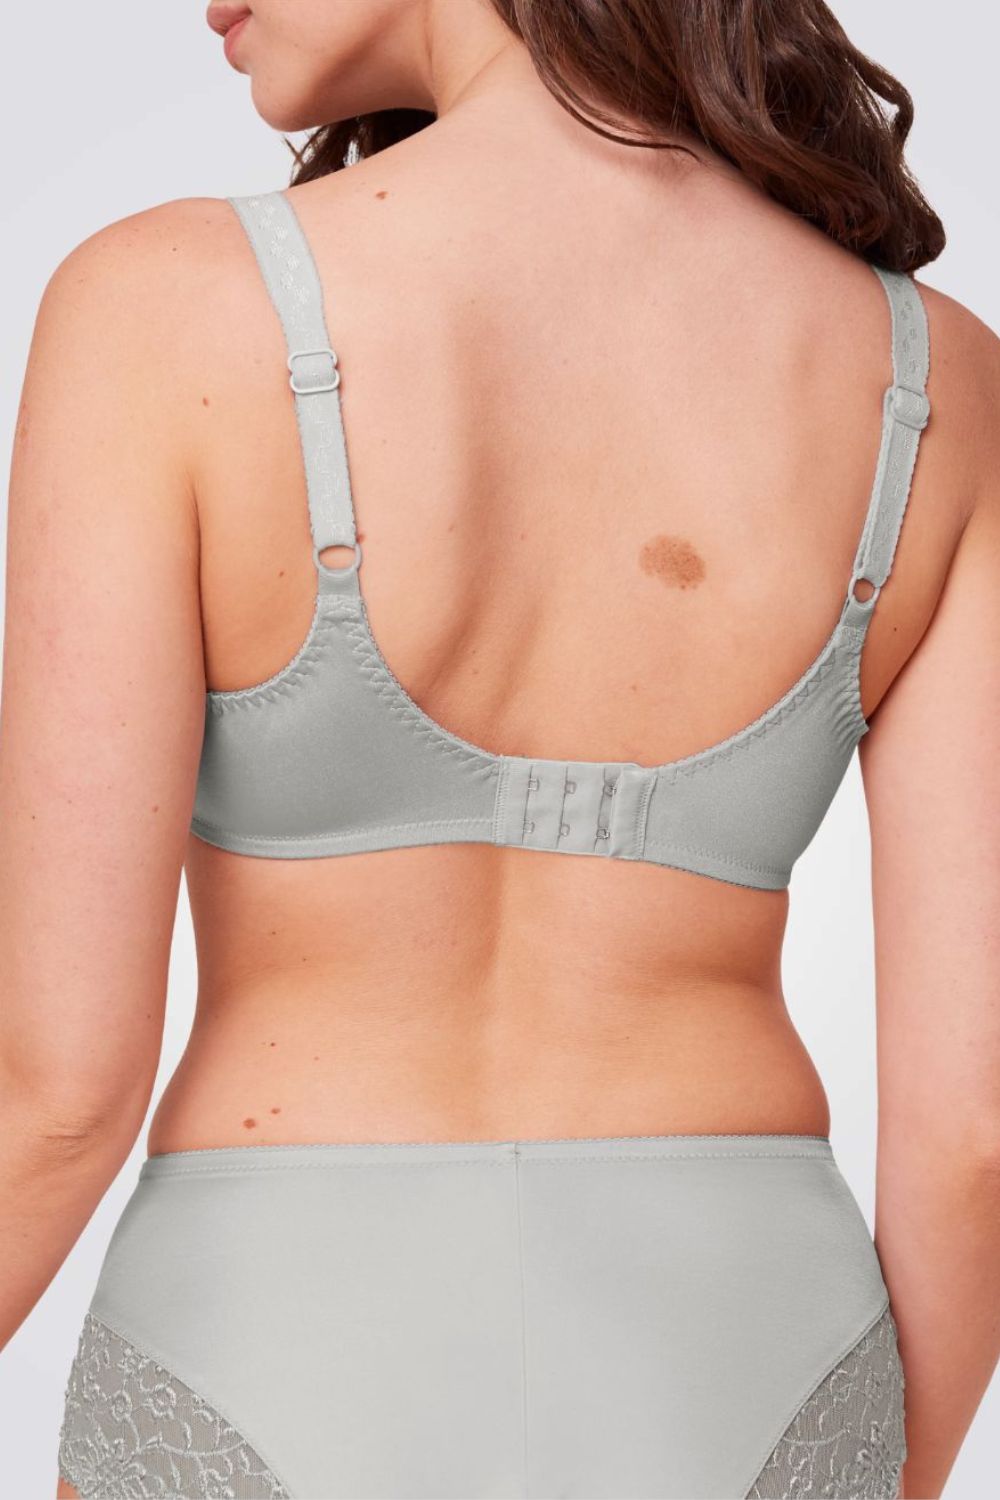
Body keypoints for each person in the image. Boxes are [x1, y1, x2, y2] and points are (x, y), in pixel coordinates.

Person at [0, 2, 997, 1497]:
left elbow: (58, 1098)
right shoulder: (939, 384)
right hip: (753, 1366)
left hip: (264, 1343)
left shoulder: (164, 310)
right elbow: (976, 1134)